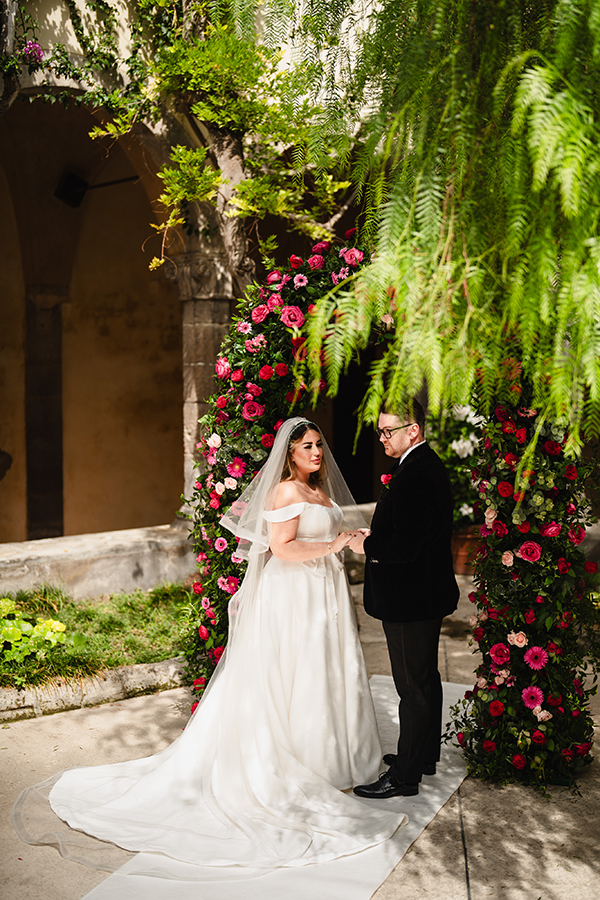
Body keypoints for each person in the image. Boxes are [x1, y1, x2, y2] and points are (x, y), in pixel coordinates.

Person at [13, 417, 406, 872]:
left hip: (324, 590)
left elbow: (324, 536)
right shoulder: (285, 492)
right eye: (307, 447)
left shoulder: (321, 492)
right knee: (300, 670)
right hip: (294, 595)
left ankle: (341, 756)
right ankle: (305, 761)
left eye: (319, 445)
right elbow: (281, 549)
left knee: (330, 670)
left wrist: (350, 540)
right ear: (290, 455)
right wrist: (333, 545)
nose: (317, 453)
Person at [349, 400, 459, 799]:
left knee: (411, 687)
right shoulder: (420, 464)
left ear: (412, 430)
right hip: (423, 594)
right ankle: (422, 755)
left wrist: (368, 546)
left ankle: (405, 778)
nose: (382, 439)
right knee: (424, 679)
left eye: (387, 432)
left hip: (410, 598)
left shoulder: (414, 474)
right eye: (380, 431)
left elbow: (407, 546)